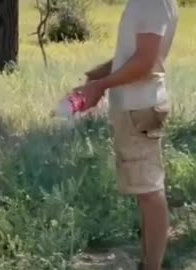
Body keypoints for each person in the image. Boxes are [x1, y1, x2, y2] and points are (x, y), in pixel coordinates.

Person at [71, 0, 179, 269]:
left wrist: (101, 86)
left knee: (150, 190)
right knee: (146, 190)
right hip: (137, 105)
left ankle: (152, 265)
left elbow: (146, 62)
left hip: (138, 108)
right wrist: (100, 75)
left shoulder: (152, 2)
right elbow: (136, 54)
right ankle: (148, 262)